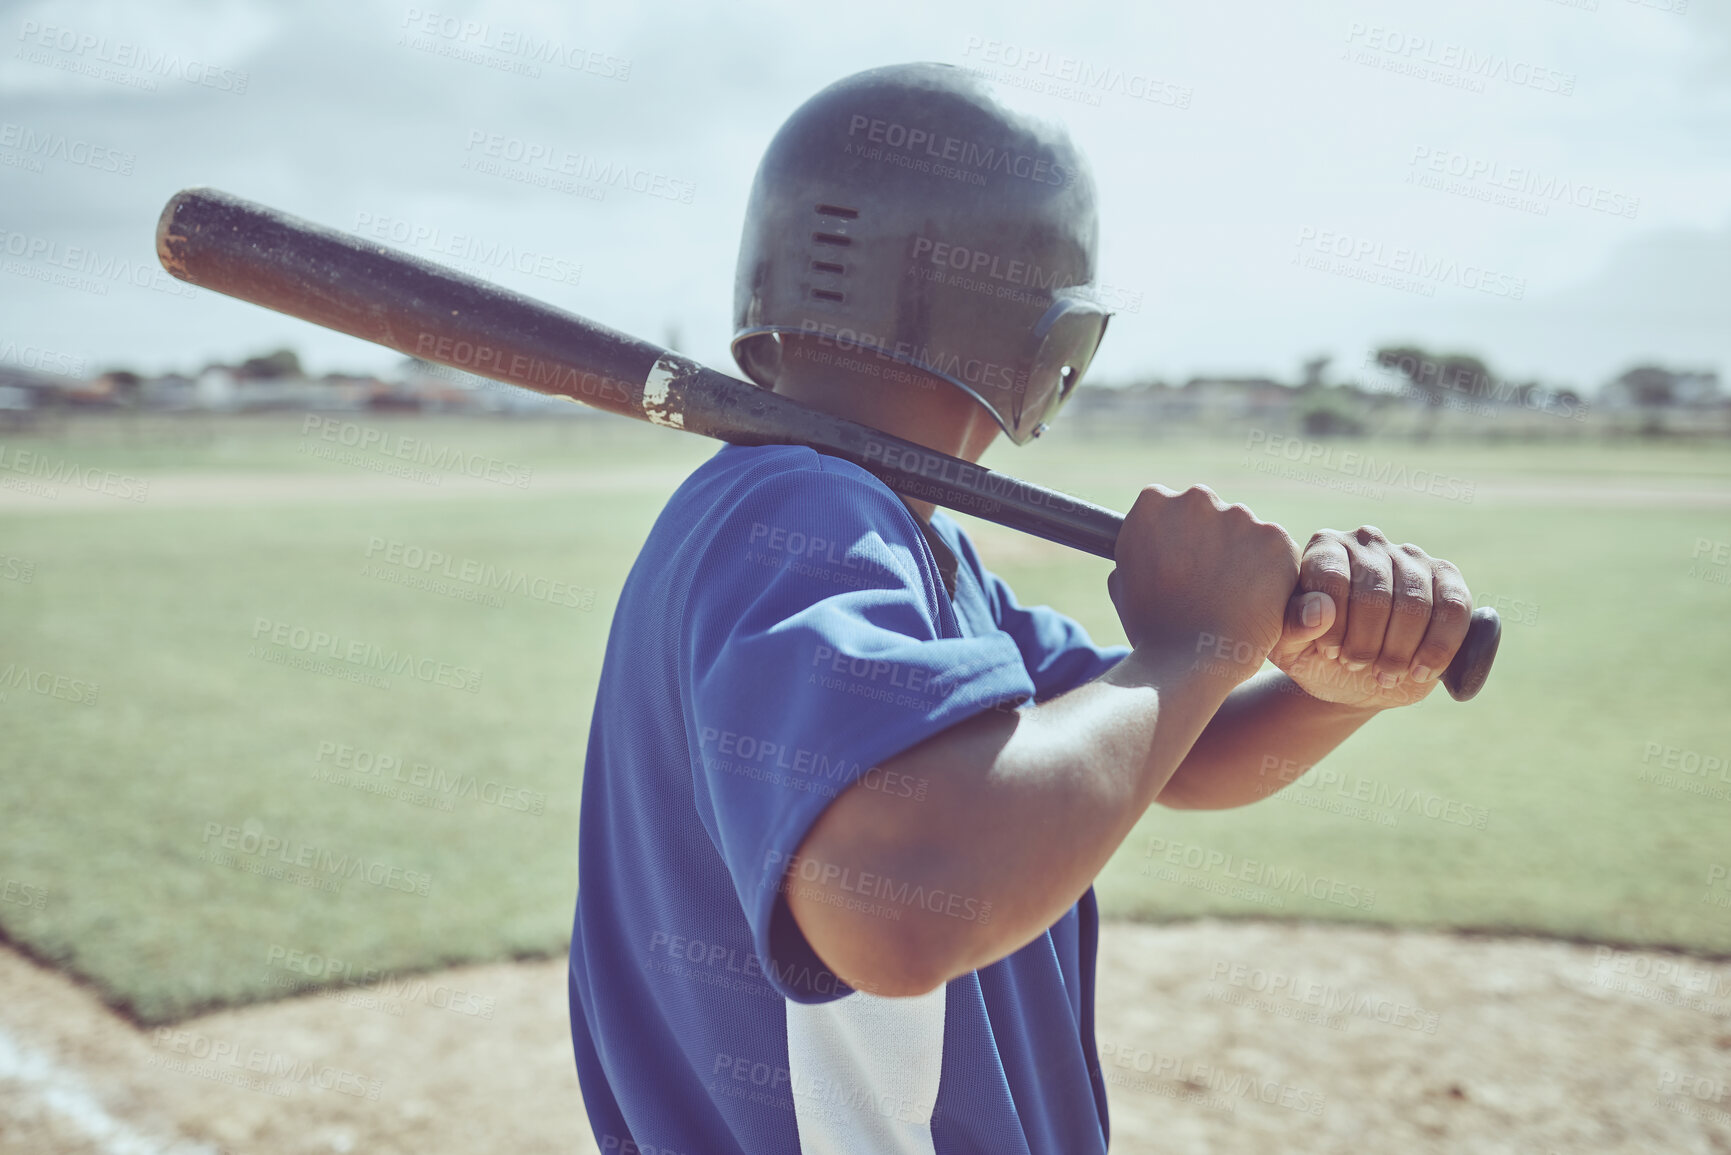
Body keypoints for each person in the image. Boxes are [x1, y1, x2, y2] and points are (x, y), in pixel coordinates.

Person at [567, 62, 1475, 1154]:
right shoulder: (799, 513)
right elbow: (898, 908)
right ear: (1047, 340)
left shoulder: (905, 538)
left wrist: (1329, 687)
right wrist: (1197, 645)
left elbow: (1162, 749)